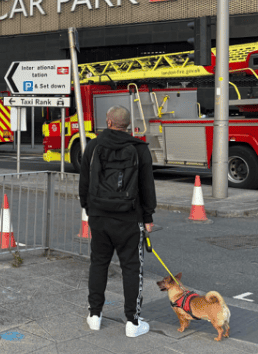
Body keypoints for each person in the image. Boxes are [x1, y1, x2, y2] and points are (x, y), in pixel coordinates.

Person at [79, 105, 157, 338]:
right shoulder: (139, 149)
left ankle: (95, 316)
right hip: (129, 218)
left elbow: (84, 182)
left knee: (99, 263)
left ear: (109, 122)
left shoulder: (93, 147)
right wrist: (148, 216)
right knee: (132, 268)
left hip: (99, 216)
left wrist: (88, 208)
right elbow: (147, 186)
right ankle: (133, 322)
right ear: (128, 125)